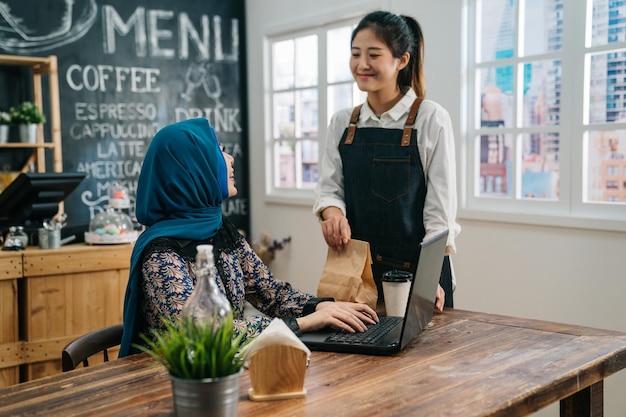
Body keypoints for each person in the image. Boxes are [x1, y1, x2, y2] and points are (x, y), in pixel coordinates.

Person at [119, 118, 378, 357]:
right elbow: (207, 334)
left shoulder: (220, 229)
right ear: (191, 170)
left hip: (228, 368)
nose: (230, 159)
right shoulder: (161, 256)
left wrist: (319, 307)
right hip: (175, 385)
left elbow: (268, 291)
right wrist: (304, 323)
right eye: (218, 151)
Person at [313, 11, 460, 311]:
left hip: (420, 274)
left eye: (373, 54)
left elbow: (439, 215)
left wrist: (429, 278)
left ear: (402, 60)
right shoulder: (342, 122)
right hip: (356, 275)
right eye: (355, 54)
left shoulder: (430, 118)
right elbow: (329, 189)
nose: (361, 64)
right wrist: (332, 215)